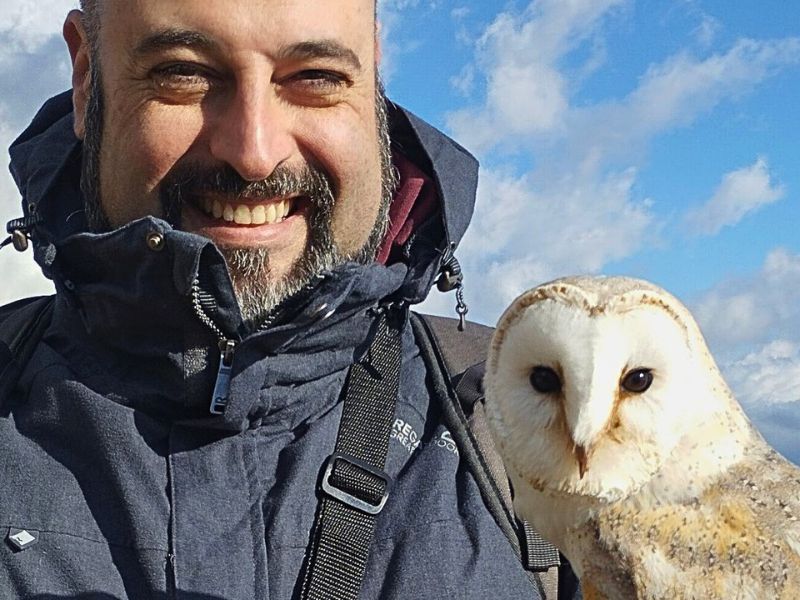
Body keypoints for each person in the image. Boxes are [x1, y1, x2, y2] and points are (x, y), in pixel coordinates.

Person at [0, 1, 571, 598]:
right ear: (87, 77)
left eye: (315, 77)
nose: (254, 152)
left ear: (373, 75)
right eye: (184, 72)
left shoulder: (539, 421)